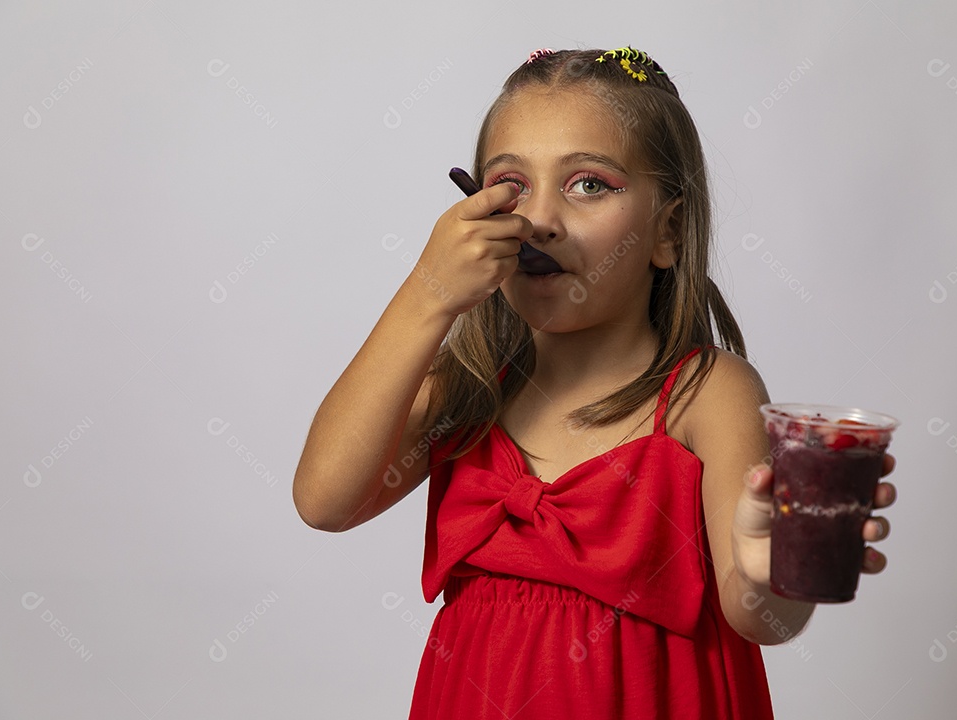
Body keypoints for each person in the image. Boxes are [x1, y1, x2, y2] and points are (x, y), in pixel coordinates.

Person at [292, 46, 897, 719]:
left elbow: (761, 619)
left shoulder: (706, 394)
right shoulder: (465, 390)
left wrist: (769, 565)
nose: (541, 219)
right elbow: (324, 502)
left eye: (589, 184)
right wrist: (427, 296)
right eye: (511, 187)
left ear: (668, 231)